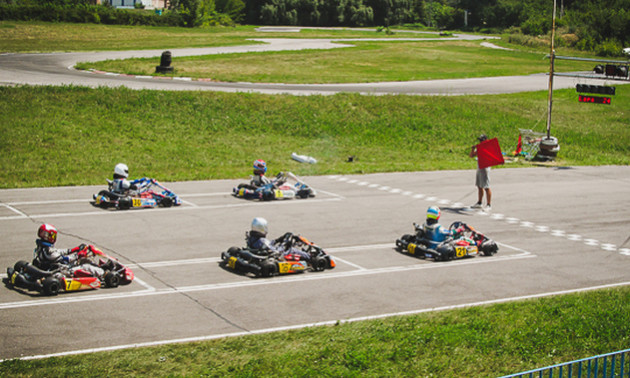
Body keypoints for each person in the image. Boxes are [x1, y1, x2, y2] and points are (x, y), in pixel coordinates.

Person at [246, 217, 311, 262]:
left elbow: (268, 245)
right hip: (273, 255)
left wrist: (278, 240)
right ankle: (310, 257)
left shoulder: (252, 237)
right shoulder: (262, 241)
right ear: (261, 228)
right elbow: (276, 252)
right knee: (291, 249)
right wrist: (284, 244)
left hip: (261, 252)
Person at [469, 134, 492, 210]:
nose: (480, 142)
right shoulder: (480, 148)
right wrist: (473, 149)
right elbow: (471, 155)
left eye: (481, 140)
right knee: (479, 186)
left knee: (486, 186)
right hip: (480, 168)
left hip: (485, 168)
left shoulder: (488, 148)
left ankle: (489, 204)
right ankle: (479, 202)